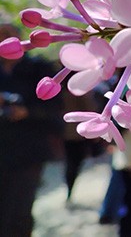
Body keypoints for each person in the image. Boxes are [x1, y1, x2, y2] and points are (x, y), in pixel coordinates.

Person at [0, 24, 63, 237]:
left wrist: (27, 111)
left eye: (8, 35)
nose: (4, 40)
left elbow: (54, 107)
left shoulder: (39, 68)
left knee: (19, 210)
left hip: (29, 151)